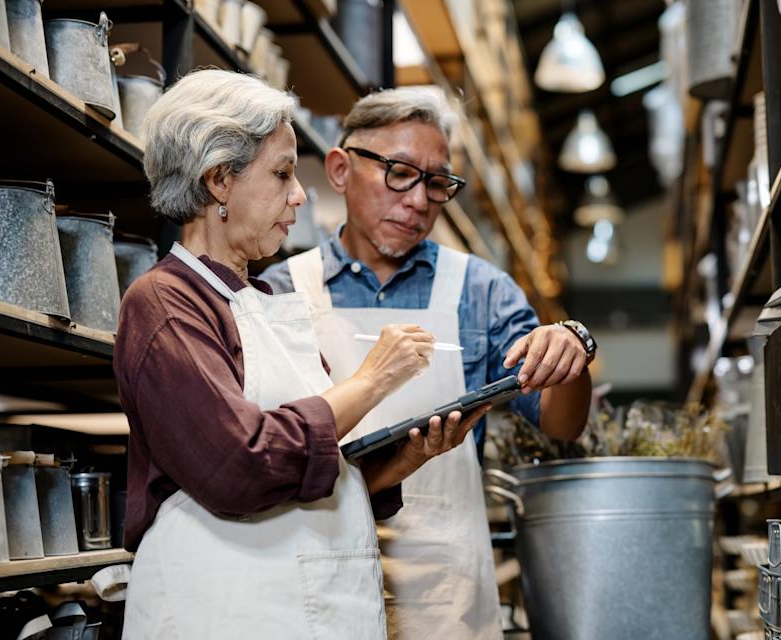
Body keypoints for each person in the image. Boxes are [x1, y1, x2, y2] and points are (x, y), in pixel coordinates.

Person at [113, 70, 488, 640]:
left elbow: (312, 465)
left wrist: (399, 464)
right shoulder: (165, 302)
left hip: (302, 608)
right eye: (283, 173)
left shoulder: (265, 300)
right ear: (219, 180)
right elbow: (239, 464)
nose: (299, 195)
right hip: (222, 612)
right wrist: (373, 381)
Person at [261, 87, 595, 639]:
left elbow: (563, 424)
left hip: (444, 592)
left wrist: (572, 355)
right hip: (317, 576)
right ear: (341, 170)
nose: (418, 200)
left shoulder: (481, 291)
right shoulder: (279, 292)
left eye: (437, 183)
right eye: (399, 172)